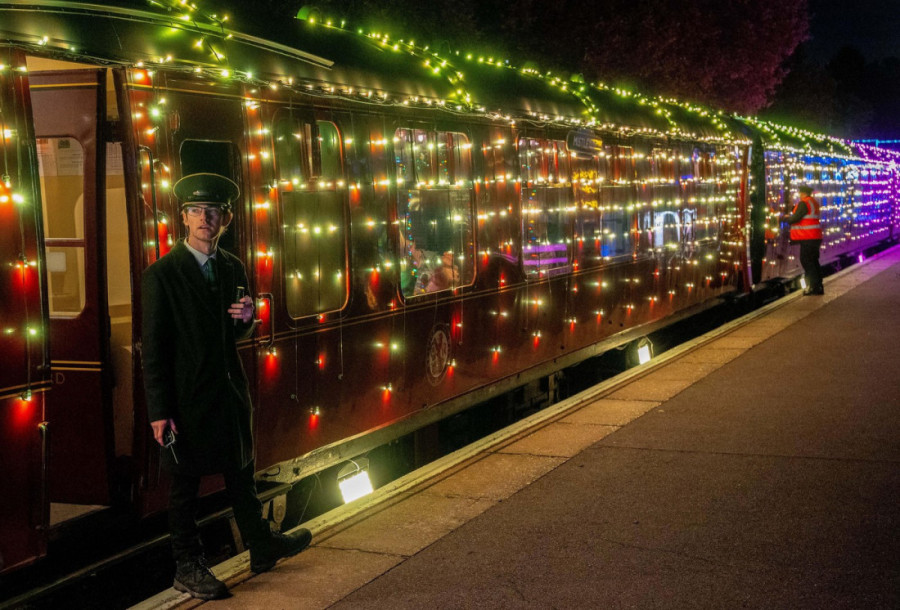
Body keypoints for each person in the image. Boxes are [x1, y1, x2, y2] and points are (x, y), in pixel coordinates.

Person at [141, 173, 311, 600]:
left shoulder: (232, 267)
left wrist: (247, 318)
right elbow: (154, 349)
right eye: (196, 211)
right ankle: (187, 565)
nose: (205, 218)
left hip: (228, 390)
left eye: (212, 212)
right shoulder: (161, 275)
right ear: (183, 219)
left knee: (240, 473)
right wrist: (159, 411)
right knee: (185, 487)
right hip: (186, 397)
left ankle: (261, 545)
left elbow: (234, 333)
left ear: (227, 219)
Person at [783, 184, 824, 295]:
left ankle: (813, 287)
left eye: (800, 193)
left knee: (807, 262)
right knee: (814, 261)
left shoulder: (804, 203)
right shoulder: (813, 202)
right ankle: (819, 286)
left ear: (803, 193)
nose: (799, 195)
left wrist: (785, 219)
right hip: (815, 236)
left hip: (808, 237)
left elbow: (796, 217)